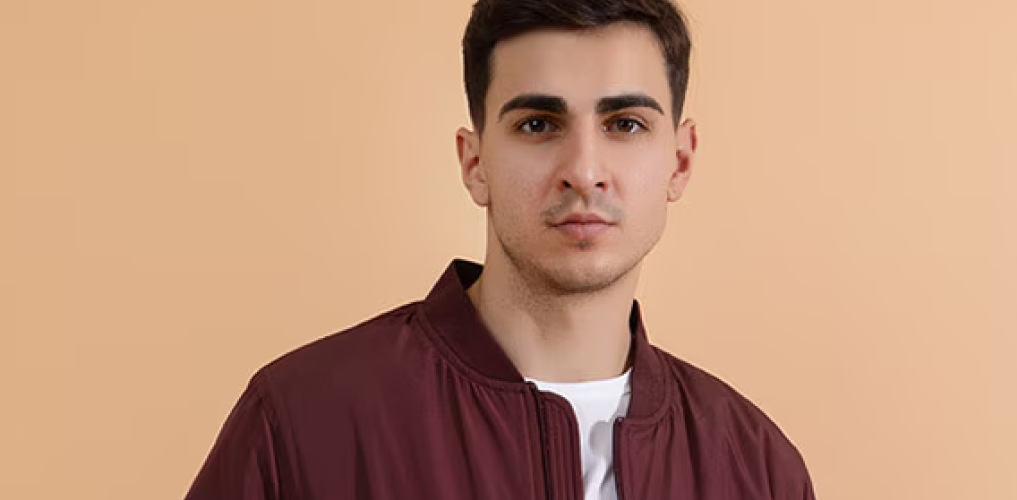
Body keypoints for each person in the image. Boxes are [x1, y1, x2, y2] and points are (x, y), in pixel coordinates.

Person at [183, 0, 813, 498]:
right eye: (538, 124)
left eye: (625, 124)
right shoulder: (301, 423)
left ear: (680, 161)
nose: (584, 171)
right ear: (474, 162)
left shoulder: (757, 469)